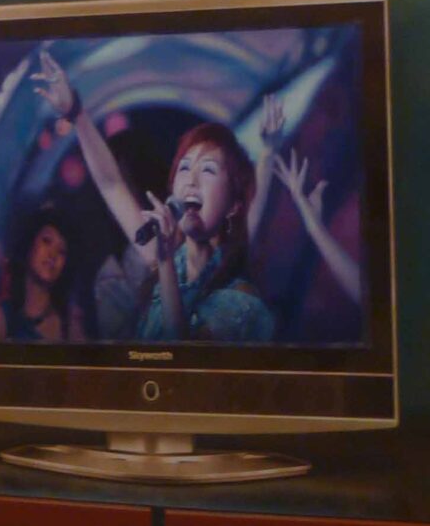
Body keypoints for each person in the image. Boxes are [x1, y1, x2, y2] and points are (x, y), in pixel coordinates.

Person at [26, 49, 277, 344]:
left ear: (233, 206)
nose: (191, 179)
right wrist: (77, 114)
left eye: (208, 169)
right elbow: (111, 184)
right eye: (184, 167)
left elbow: (180, 350)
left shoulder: (237, 298)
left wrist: (268, 152)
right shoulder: (167, 255)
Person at [0, 209, 82, 342]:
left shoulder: (69, 326)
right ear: (29, 244)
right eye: (46, 241)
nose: (52, 255)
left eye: (61, 251)